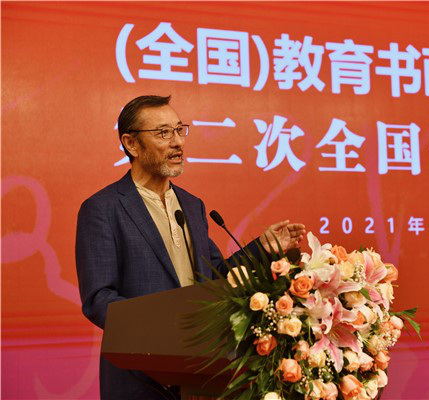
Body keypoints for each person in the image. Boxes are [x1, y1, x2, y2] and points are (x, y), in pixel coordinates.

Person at [75, 95, 305, 399]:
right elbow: (98, 298)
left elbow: (217, 276)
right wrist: (161, 330)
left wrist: (262, 248)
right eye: (163, 133)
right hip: (139, 379)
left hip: (202, 376)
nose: (178, 142)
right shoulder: (103, 209)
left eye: (179, 130)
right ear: (131, 144)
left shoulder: (192, 206)